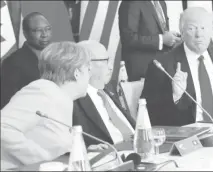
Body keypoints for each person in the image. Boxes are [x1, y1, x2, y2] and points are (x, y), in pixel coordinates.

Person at [1, 42, 91, 170]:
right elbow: (3, 128)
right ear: (77, 73)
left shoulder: (60, 96)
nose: (90, 76)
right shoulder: (42, 91)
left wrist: (78, 151)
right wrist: (42, 160)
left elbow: (48, 139)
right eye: (88, 70)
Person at [141, 7, 213, 126]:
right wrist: (175, 96)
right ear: (182, 32)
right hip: (187, 137)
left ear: (212, 29)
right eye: (192, 28)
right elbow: (148, 113)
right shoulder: (162, 65)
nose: (199, 34)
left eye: (203, 28)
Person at [73, 40, 135, 148]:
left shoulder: (108, 88)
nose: (111, 67)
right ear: (86, 64)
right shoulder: (74, 99)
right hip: (112, 156)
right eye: (105, 61)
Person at [118, 0, 182, 81]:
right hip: (142, 71)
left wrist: (172, 38)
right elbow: (129, 38)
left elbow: (162, 32)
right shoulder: (131, 2)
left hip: (162, 68)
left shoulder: (161, 3)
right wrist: (161, 39)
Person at [1, 12, 52, 109]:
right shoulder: (13, 62)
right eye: (38, 30)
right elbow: (7, 101)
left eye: (48, 29)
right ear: (25, 34)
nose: (45, 34)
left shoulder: (57, 56)